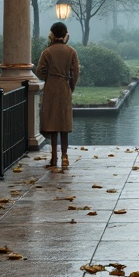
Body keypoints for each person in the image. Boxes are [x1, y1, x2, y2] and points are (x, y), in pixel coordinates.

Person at [36, 21, 80, 170]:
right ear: (65, 34)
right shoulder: (72, 51)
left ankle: (54, 157)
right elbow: (75, 72)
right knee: (64, 124)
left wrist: (49, 77)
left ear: (52, 34)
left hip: (51, 89)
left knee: (52, 123)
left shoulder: (47, 52)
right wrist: (70, 87)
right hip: (65, 87)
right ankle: (65, 157)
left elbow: (40, 72)